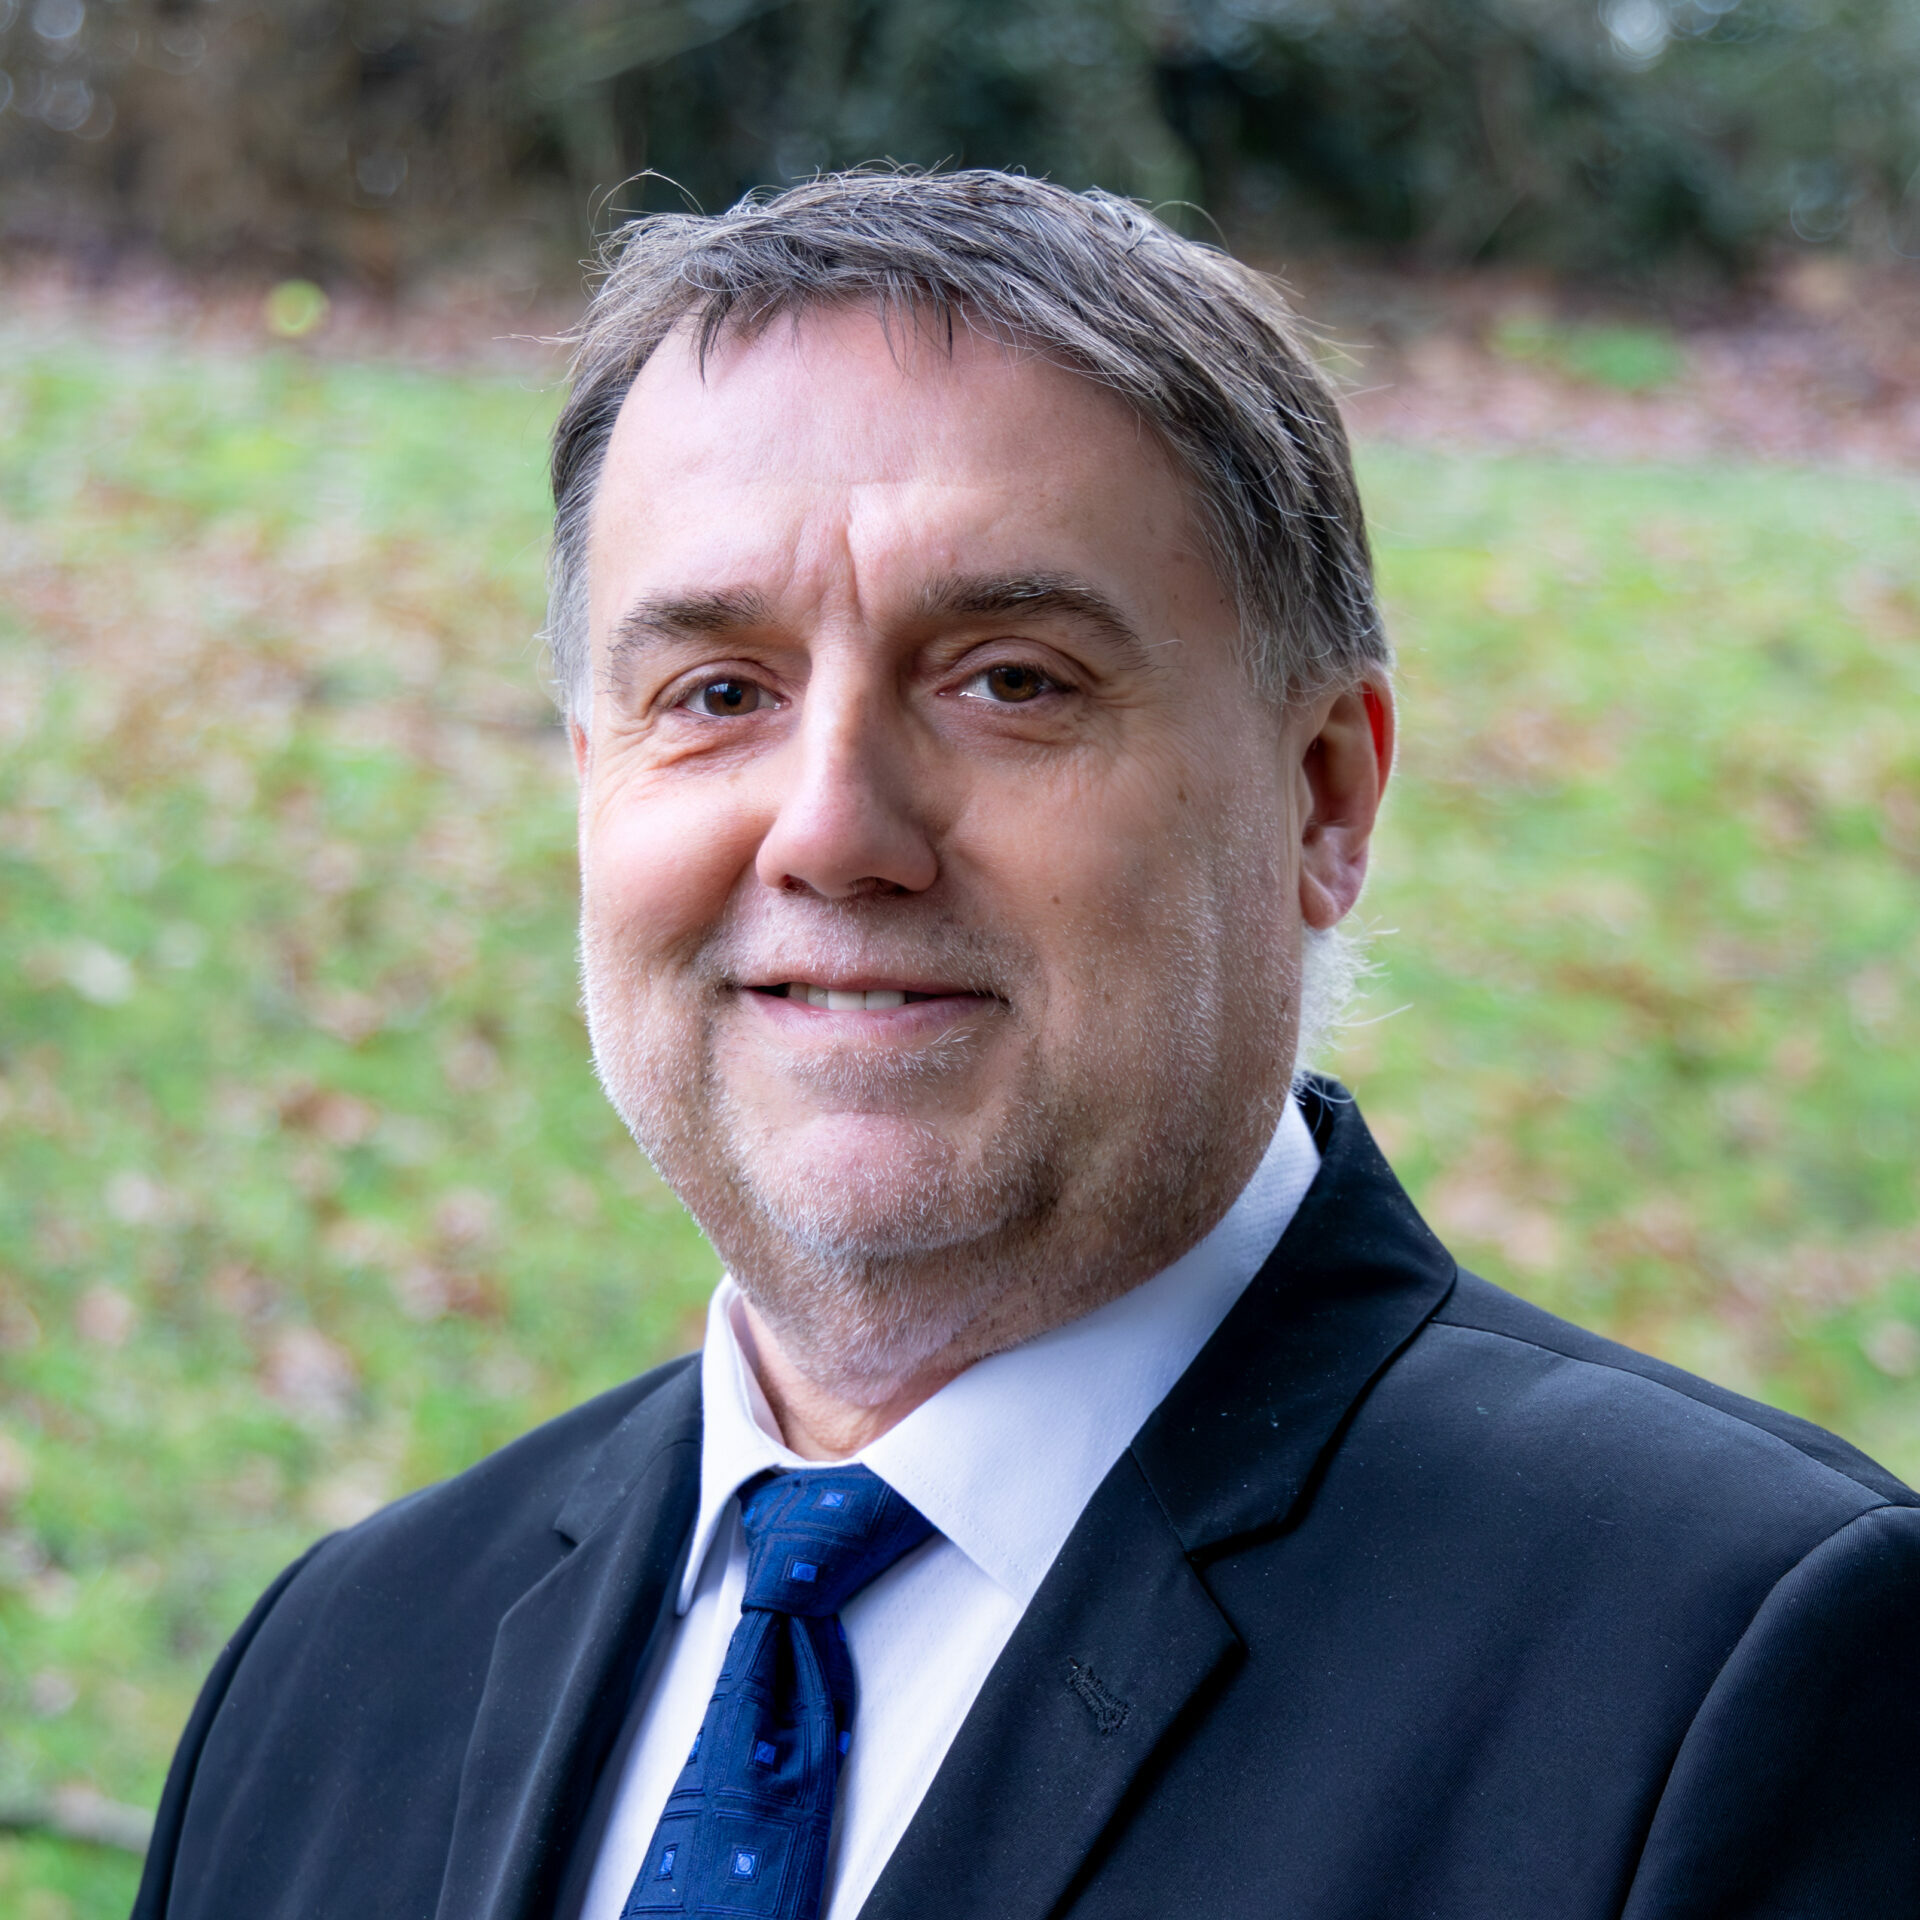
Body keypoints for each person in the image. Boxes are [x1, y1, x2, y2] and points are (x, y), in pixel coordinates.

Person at [133, 170, 1919, 1920]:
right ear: (592, 782)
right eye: (719, 694)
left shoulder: (1734, 1667)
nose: (831, 830)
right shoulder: (330, 1678)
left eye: (1011, 679)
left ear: (1322, 796)